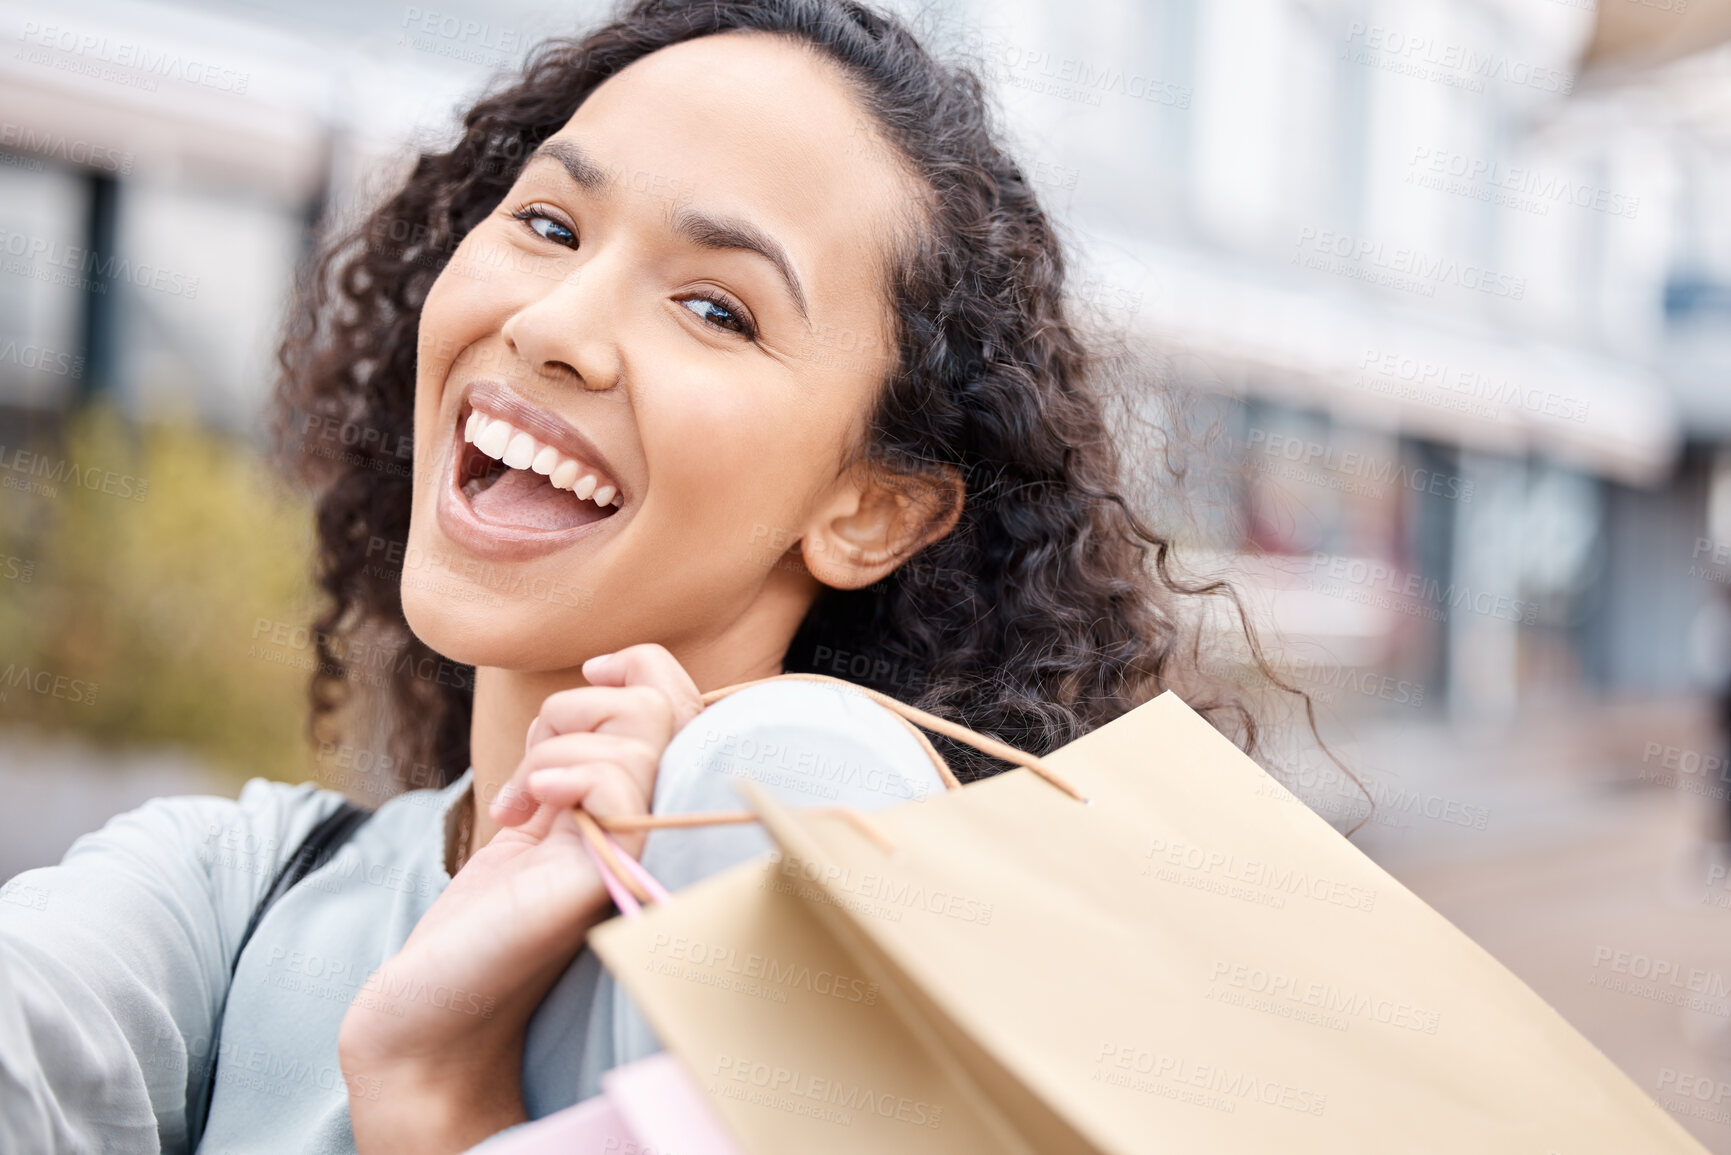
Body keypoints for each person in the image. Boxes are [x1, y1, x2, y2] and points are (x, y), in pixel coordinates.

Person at [0, 2, 1300, 1151]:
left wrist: (435, 1099)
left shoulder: (824, 816)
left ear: (871, 510)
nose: (555, 325)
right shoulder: (239, 893)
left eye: (717, 307)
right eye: (551, 223)